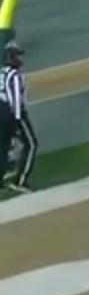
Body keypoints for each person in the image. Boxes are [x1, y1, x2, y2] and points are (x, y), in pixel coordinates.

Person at [0, 41, 36, 193]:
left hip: (1, 111)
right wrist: (17, 120)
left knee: (3, 147)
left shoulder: (2, 73)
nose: (20, 59)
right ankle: (21, 180)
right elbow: (14, 99)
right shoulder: (15, 76)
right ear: (11, 57)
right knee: (31, 144)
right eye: (17, 56)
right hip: (13, 114)